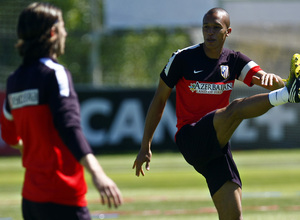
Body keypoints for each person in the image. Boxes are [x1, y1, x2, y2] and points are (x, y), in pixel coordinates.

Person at [133, 7, 300, 220]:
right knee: (236, 109)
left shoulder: (234, 60)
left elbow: (265, 79)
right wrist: (145, 145)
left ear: (227, 32)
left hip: (216, 147)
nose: (210, 32)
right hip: (190, 137)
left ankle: (291, 93)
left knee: (233, 215)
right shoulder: (183, 58)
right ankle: (290, 94)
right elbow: (159, 99)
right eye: (206, 27)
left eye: (216, 28)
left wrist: (282, 82)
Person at [0, 2, 122, 220]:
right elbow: (69, 126)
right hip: (62, 194)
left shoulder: (13, 81)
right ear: (54, 32)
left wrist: (36, 147)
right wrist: (97, 173)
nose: (66, 32)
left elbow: (9, 135)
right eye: (63, 26)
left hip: (31, 199)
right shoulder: (55, 74)